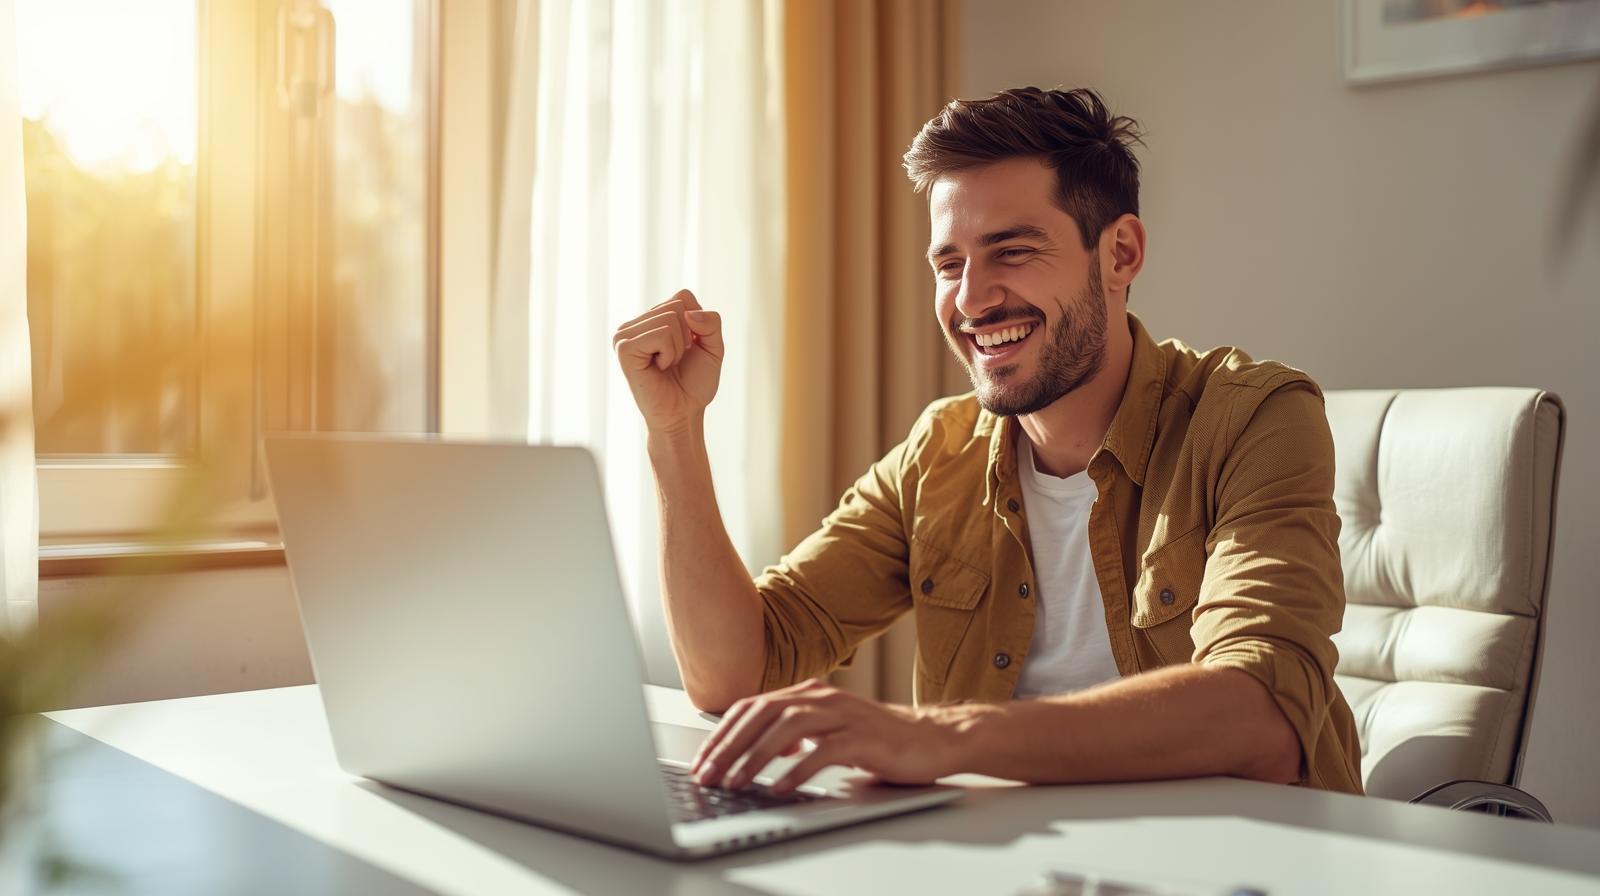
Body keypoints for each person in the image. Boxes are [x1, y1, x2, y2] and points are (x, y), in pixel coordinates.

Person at [610, 87, 1363, 797]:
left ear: (1120, 254)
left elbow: (1261, 716)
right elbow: (736, 671)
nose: (970, 299)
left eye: (1012, 250)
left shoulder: (1254, 418)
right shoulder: (940, 451)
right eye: (949, 263)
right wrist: (675, 433)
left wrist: (943, 737)